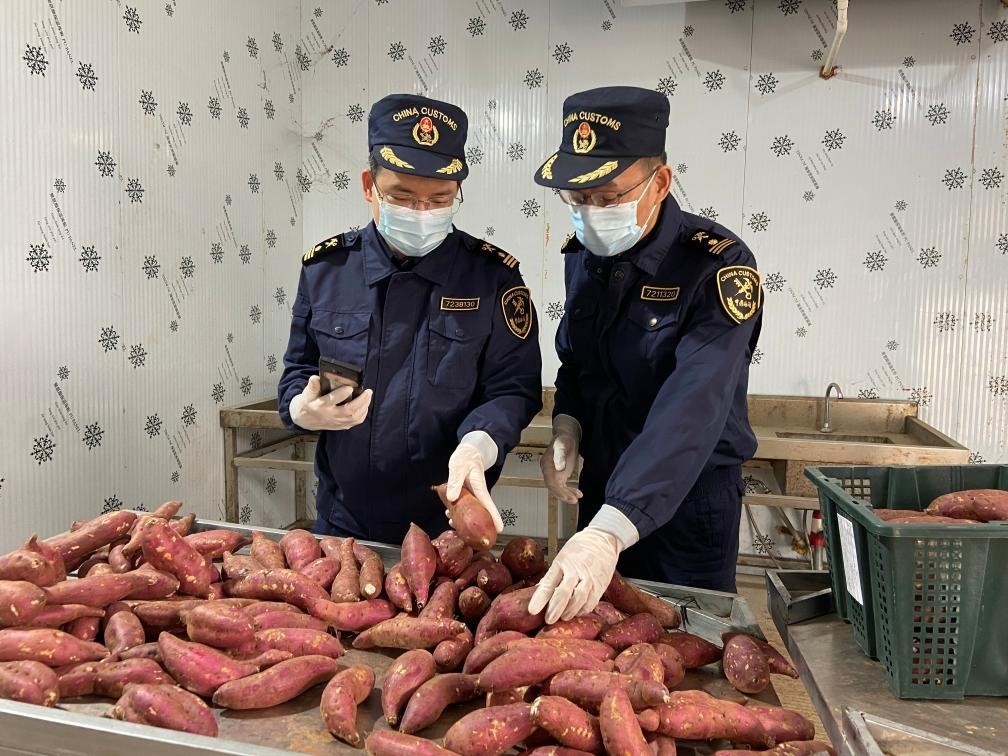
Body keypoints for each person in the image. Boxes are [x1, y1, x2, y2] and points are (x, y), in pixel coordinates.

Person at [527, 86, 762, 624]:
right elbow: (579, 361)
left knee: (689, 644)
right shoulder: (585, 256)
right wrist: (568, 426)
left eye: (607, 197)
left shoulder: (716, 266)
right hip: (605, 489)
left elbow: (693, 407)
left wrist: (610, 530)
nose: (590, 213)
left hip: (687, 505)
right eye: (577, 198)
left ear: (659, 182)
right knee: (596, 639)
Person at [277, 93, 542, 545]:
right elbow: (299, 370)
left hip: (447, 527)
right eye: (402, 196)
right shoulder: (328, 271)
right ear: (369, 186)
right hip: (342, 524)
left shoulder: (491, 278)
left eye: (439, 199)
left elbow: (513, 388)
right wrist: (301, 409)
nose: (421, 213)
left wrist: (479, 444)